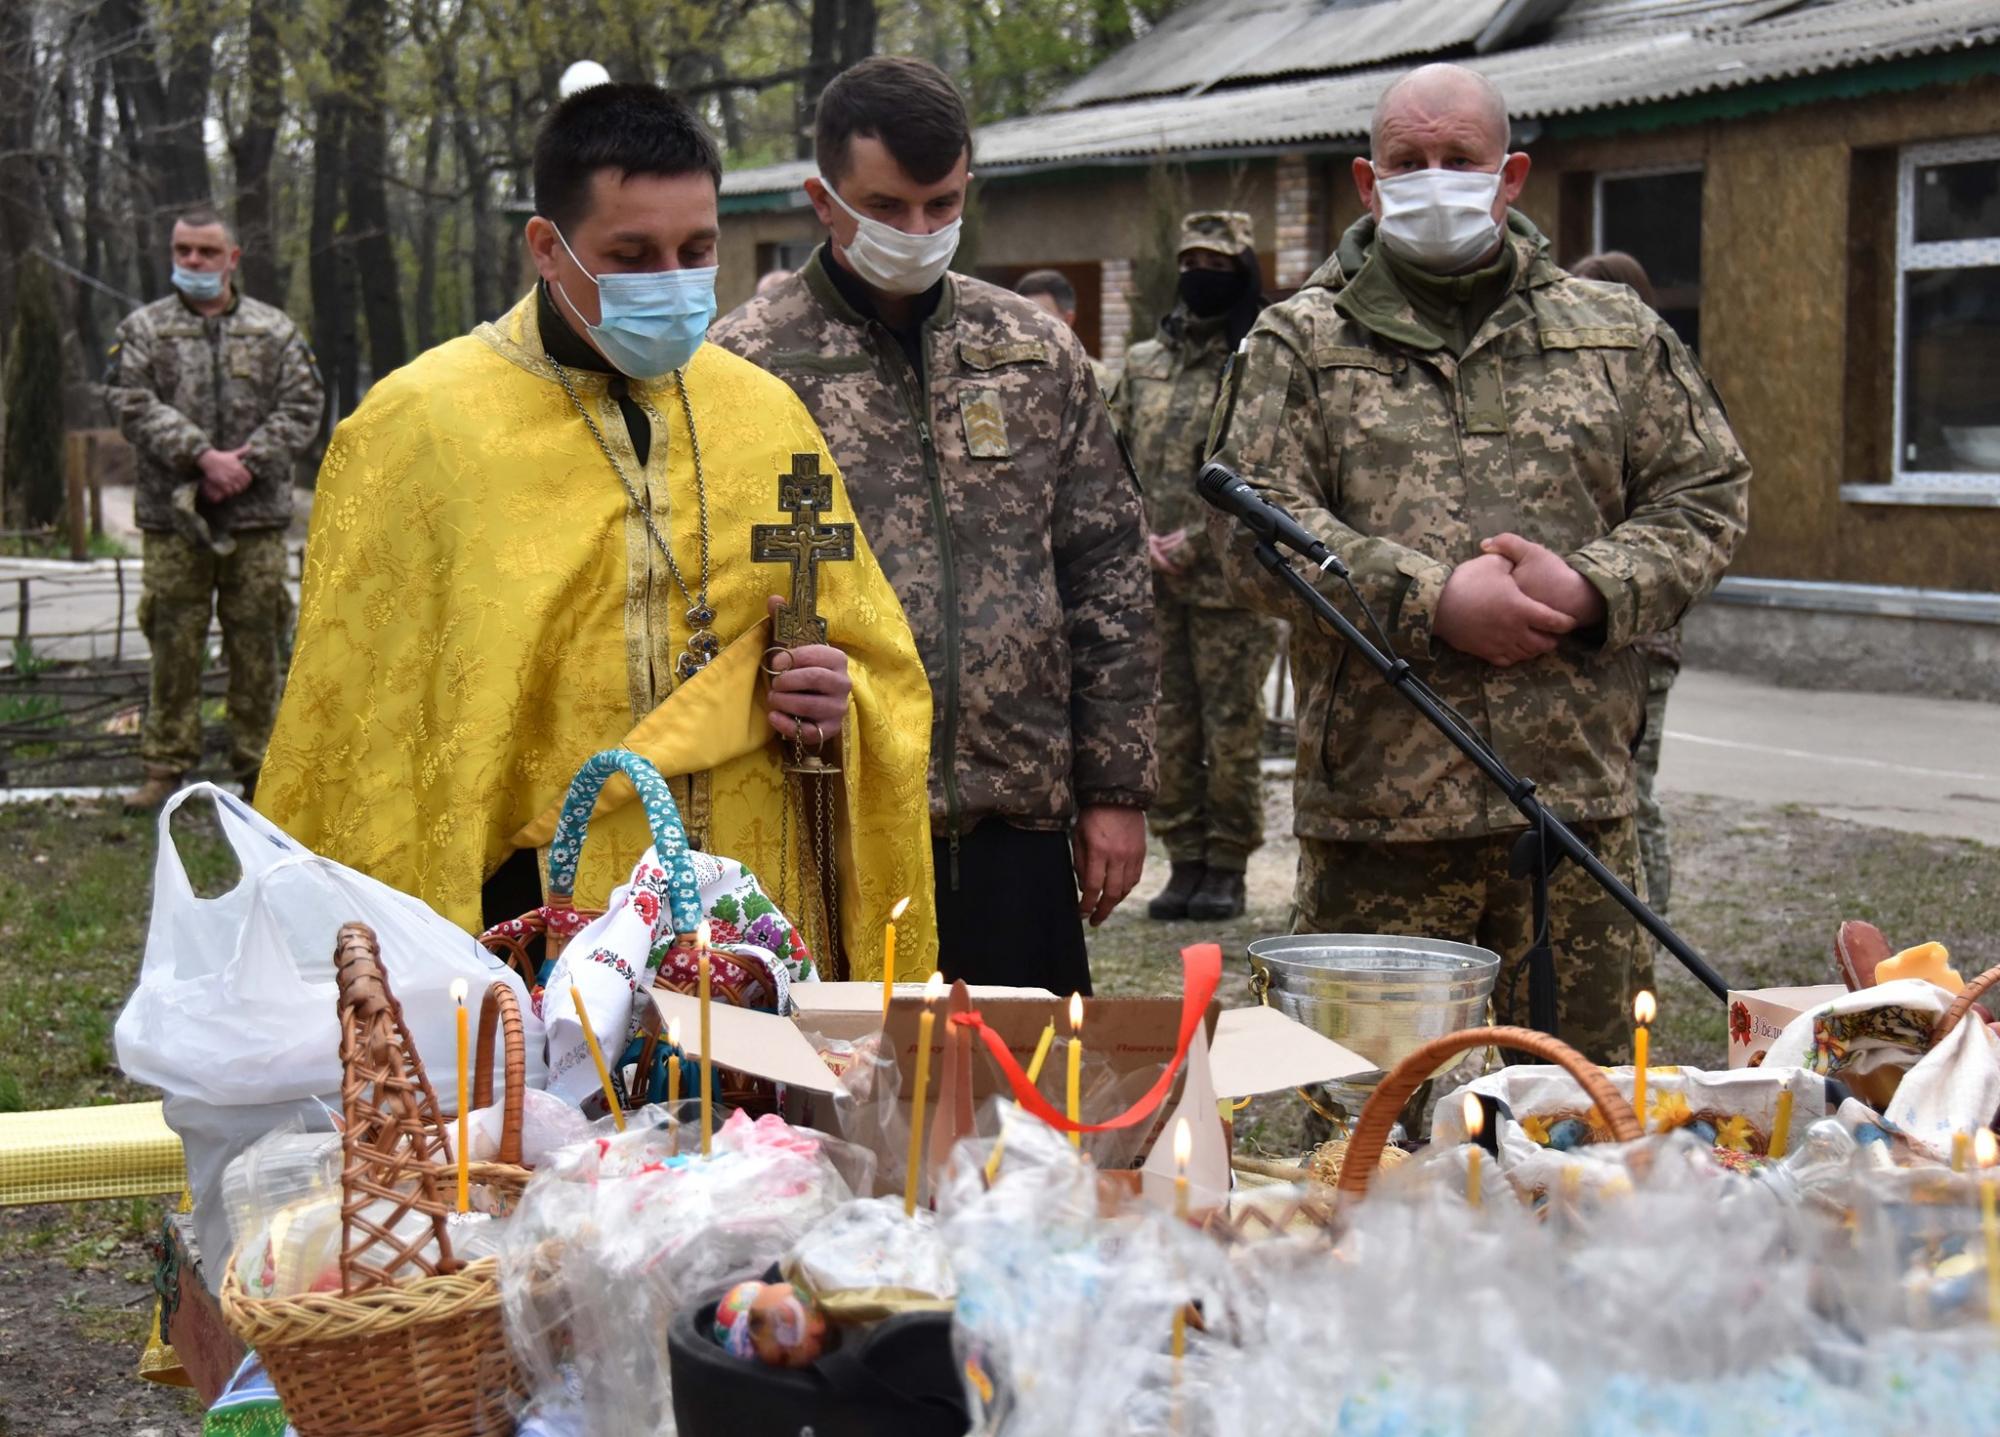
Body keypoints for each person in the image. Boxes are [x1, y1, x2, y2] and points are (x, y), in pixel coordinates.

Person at [255, 83, 937, 978]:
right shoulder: (419, 429)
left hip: (752, 910)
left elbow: (871, 659)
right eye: (632, 253)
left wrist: (834, 694)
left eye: (696, 250)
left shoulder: (766, 416)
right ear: (548, 246)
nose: (672, 280)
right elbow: (357, 731)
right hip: (530, 916)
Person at [1209, 63, 1750, 1063]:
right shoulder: (1296, 343)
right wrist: (1426, 600)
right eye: (1406, 162)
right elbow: (1244, 530)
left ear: (1508, 177)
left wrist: (1594, 585)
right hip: (1377, 819)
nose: (1433, 180)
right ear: (1366, 186)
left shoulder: (1614, 336)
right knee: (1364, 1128)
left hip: (1568, 815)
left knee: (1577, 1124)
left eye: (1457, 159)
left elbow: (1706, 493)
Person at [712, 55, 1156, 996]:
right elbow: (698, 592)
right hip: (831, 820)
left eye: (942, 205)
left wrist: (1115, 789)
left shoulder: (1032, 352)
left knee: (1027, 1118)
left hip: (1015, 817)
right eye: (888, 206)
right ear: (822, 200)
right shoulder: (744, 366)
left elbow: (1106, 566)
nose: (917, 232)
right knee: (848, 1117)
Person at [102, 206, 324, 810]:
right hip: (174, 516)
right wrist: (201, 456)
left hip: (255, 517)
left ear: (232, 258)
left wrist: (243, 464)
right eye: (183, 252)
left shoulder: (273, 330)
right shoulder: (144, 330)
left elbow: (304, 405)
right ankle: (164, 765)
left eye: (205, 251)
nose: (193, 262)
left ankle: (258, 769)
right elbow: (128, 399)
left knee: (257, 640)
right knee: (173, 638)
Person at [1111, 212, 1279, 922]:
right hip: (1154, 579)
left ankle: (1228, 863)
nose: (1200, 275)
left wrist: (1201, 541)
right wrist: (1137, 530)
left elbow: (1266, 466)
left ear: (1242, 272)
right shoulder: (1146, 362)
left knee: (1231, 727)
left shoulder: (1259, 359)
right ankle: (1183, 858)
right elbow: (1110, 451)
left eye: (1218, 263)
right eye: (1191, 261)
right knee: (1169, 726)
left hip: (1230, 584)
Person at [1572, 250, 1680, 922]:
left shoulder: (1655, 396)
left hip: (1639, 639)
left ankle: (1651, 929)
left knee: (1631, 795)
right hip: (1585, 635)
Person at [1016, 269, 1115, 393]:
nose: (1030, 323)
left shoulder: (1096, 377)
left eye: (1041, 315)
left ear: (1067, 320)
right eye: (1024, 314)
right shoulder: (1003, 375)